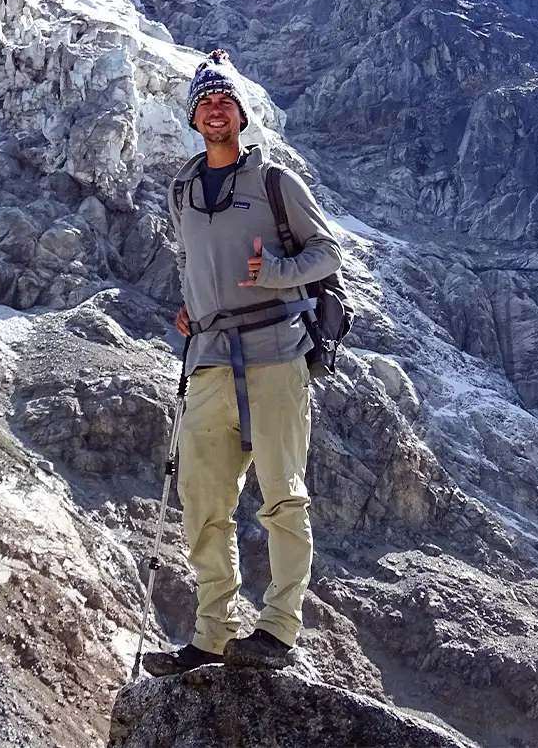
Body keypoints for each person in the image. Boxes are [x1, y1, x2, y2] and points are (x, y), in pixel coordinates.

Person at [140, 49, 344, 675]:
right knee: (203, 502)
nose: (215, 110)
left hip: (276, 354)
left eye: (224, 101)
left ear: (241, 112)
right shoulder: (181, 188)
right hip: (206, 358)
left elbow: (327, 254)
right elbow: (188, 260)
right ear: (194, 117)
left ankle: (279, 631)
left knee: (283, 497)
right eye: (205, 103)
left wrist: (278, 273)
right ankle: (213, 634)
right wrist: (192, 308)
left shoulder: (277, 184)